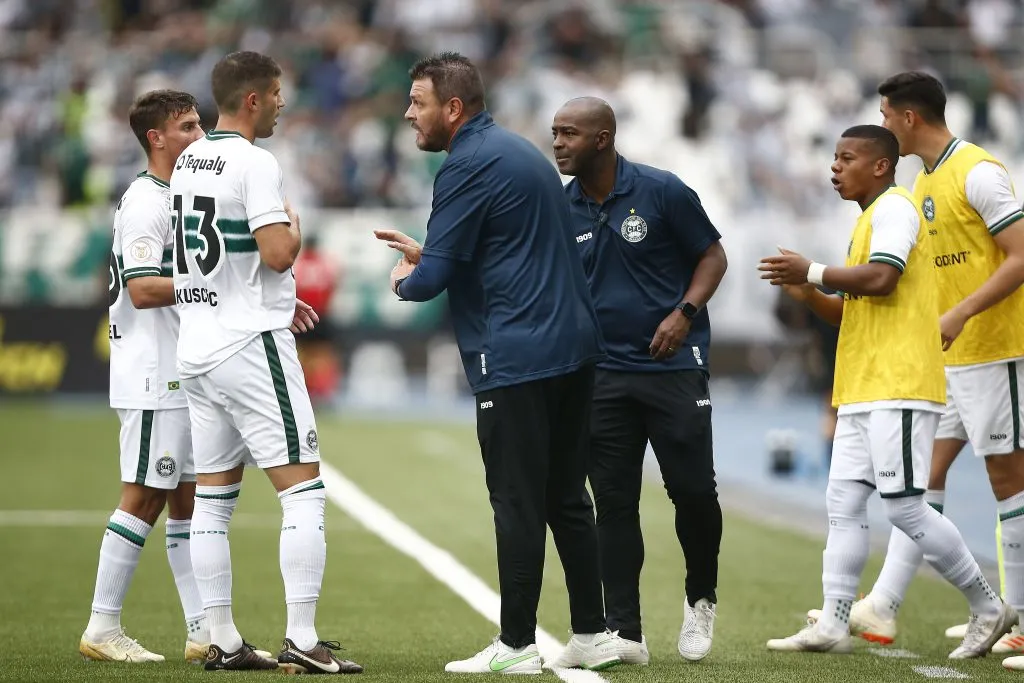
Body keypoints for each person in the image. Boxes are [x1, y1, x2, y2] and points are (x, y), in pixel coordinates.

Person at [373, 51, 624, 674]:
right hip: (572, 347)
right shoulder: (516, 152)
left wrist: (406, 277)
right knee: (566, 496)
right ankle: (592, 633)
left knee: (516, 500)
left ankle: (516, 646)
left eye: (417, 101)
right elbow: (501, 248)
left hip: (518, 353)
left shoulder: (465, 165)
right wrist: (435, 257)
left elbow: (430, 282)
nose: (408, 114)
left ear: (452, 108)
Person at [760, 124, 1014, 658]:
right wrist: (809, 292)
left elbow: (883, 279)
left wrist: (816, 269)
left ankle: (990, 607)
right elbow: (849, 306)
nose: (835, 167)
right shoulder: (870, 220)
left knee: (905, 508)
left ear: (879, 165)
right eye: (833, 158)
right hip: (862, 384)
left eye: (846, 158)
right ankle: (832, 621)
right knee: (844, 502)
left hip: (898, 382)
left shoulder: (897, 208)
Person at [171, 51, 361, 674]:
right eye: (276, 93)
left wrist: (278, 300)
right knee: (303, 491)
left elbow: (220, 256)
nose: (283, 103)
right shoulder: (256, 161)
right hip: (249, 345)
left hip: (199, 345)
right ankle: (303, 640)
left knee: (214, 502)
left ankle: (222, 640)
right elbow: (279, 252)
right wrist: (296, 234)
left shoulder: (185, 163)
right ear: (252, 99)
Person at [829, 72, 1024, 663]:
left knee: (1007, 481)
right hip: (944, 359)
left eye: (886, 114)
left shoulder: (980, 172)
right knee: (920, 484)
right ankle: (884, 603)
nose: (882, 125)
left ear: (908, 118)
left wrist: (961, 312)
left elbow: (1021, 255)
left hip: (994, 347)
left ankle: (1017, 620)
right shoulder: (921, 183)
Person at [550, 97, 729, 664]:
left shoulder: (662, 190)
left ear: (602, 139)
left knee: (694, 493)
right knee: (614, 503)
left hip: (673, 369)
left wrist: (685, 314)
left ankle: (700, 597)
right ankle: (626, 632)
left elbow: (713, 256)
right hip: (601, 376)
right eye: (555, 133)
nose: (557, 143)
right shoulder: (563, 205)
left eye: (569, 133)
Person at [79, 90, 209, 664]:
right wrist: (215, 286)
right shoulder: (145, 200)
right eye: (186, 126)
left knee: (187, 500)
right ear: (156, 138)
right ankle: (102, 627)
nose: (198, 134)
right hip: (155, 373)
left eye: (199, 122)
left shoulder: (177, 193)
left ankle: (203, 630)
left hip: (177, 369)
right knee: (145, 497)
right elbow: (141, 286)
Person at [293, 234, 342, 403]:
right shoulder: (326, 265)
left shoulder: (297, 264)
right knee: (322, 355)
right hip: (320, 315)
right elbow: (332, 286)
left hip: (300, 314)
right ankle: (322, 392)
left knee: (300, 355)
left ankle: (302, 391)